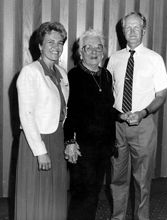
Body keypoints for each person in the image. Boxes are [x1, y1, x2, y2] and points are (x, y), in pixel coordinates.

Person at [107, 12, 167, 220]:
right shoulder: (114, 59)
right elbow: (109, 94)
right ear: (122, 31)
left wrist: (143, 112)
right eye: (128, 28)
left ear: (144, 30)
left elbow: (161, 95)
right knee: (117, 177)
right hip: (118, 127)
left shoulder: (155, 59)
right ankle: (118, 217)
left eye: (136, 27)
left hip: (143, 126)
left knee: (142, 180)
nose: (132, 31)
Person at [15, 21, 69, 220]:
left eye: (60, 42)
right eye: (50, 42)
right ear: (40, 45)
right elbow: (26, 116)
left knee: (54, 194)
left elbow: (63, 110)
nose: (56, 47)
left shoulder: (61, 73)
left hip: (56, 138)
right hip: (36, 143)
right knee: (36, 196)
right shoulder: (30, 73)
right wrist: (40, 151)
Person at [64, 29, 115, 220]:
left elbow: (108, 110)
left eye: (98, 47)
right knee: (82, 194)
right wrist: (69, 140)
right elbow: (70, 112)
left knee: (94, 193)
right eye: (89, 47)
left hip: (102, 147)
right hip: (82, 147)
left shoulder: (106, 75)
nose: (94, 51)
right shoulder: (74, 76)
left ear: (103, 51)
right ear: (81, 52)